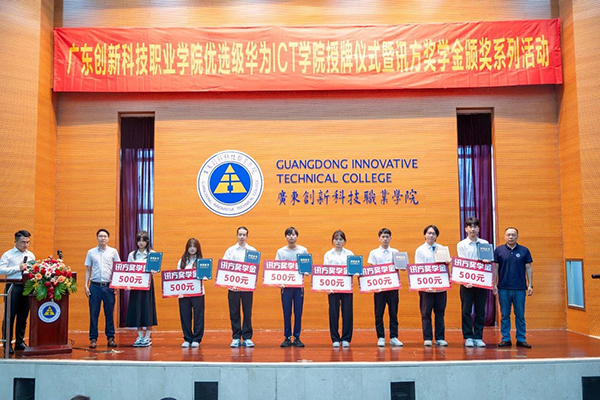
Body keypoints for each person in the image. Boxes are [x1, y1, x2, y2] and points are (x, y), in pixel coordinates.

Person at [493, 227, 533, 348]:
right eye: (508, 235)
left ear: (517, 236)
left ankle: (521, 339)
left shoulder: (524, 250)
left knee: (520, 315)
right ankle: (505, 339)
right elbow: (495, 268)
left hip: (520, 288)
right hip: (503, 288)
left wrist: (530, 285)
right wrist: (494, 284)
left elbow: (528, 268)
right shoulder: (499, 250)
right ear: (505, 236)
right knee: (505, 315)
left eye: (513, 235)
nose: (511, 237)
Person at [456, 217, 490, 348]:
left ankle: (478, 336)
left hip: (481, 282)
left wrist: (487, 261)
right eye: (470, 226)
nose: (473, 229)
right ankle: (468, 336)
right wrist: (466, 280)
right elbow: (463, 263)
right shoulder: (461, 244)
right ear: (466, 229)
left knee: (480, 310)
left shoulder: (484, 243)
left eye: (475, 226)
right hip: (467, 282)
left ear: (478, 229)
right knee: (466, 310)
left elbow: (488, 261)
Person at [84, 228, 121, 349]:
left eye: (105, 236)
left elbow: (118, 269)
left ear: (108, 238)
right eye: (100, 236)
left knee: (109, 313)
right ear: (97, 238)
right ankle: (93, 339)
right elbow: (88, 269)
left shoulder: (113, 252)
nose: (103, 238)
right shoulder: (91, 252)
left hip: (108, 286)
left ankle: (110, 337)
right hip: (94, 286)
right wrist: (85, 285)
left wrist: (116, 285)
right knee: (94, 313)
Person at [367, 228, 403, 348]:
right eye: (383, 237)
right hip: (379, 288)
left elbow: (402, 267)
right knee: (379, 313)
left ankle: (394, 337)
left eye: (387, 237)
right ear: (379, 238)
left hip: (393, 287)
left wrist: (403, 266)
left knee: (393, 312)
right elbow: (371, 269)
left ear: (390, 238)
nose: (385, 239)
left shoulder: (395, 252)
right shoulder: (374, 253)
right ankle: (381, 337)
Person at [0, 230, 35, 354]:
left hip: (26, 287)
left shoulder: (31, 255)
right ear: (15, 242)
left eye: (28, 242)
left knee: (23, 315)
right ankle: (7, 343)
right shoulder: (8, 255)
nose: (25, 245)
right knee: (9, 316)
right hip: (13, 286)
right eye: (23, 242)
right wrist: (17, 268)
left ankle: (19, 341)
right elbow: (1, 270)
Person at [414, 225, 448, 347]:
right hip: (426, 288)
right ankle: (427, 337)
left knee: (440, 313)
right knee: (426, 313)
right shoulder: (420, 250)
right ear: (425, 235)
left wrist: (447, 262)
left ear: (436, 236)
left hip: (440, 287)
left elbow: (445, 266)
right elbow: (419, 268)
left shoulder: (442, 249)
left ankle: (440, 338)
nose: (431, 235)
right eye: (429, 233)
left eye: (433, 233)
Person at [223, 226, 257, 348]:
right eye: (240, 234)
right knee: (234, 312)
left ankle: (247, 337)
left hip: (247, 287)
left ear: (247, 236)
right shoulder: (230, 250)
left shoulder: (252, 250)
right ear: (236, 236)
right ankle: (236, 337)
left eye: (244, 235)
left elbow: (254, 268)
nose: (242, 237)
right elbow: (225, 266)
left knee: (247, 312)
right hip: (233, 287)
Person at [275, 227, 308, 348]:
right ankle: (287, 337)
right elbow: (276, 268)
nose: (291, 237)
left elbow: (307, 267)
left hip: (299, 287)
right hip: (286, 287)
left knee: (298, 312)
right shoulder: (281, 251)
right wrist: (279, 282)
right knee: (287, 312)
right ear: (285, 237)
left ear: (297, 236)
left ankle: (297, 337)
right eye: (289, 235)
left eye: (293, 234)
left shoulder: (303, 250)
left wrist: (307, 271)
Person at [125, 231, 158, 347]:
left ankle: (147, 337)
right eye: (139, 240)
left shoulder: (152, 254)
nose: (141, 243)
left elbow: (156, 269)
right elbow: (128, 270)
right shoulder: (132, 255)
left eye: (143, 240)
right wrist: (127, 284)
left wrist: (153, 271)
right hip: (135, 285)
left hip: (147, 285)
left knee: (147, 309)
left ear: (147, 242)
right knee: (137, 309)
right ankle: (139, 336)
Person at [324, 230, 354, 348]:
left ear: (344, 241)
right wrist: (327, 287)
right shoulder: (328, 254)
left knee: (347, 312)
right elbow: (325, 271)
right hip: (333, 287)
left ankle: (346, 338)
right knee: (333, 312)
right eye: (336, 239)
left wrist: (357, 272)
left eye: (340, 239)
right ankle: (335, 338)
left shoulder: (349, 253)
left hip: (346, 287)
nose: (338, 241)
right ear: (332, 241)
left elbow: (354, 268)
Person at [177, 238, 205, 348]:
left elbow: (206, 276)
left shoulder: (202, 261)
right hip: (184, 293)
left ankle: (197, 339)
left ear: (197, 248)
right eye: (190, 246)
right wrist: (179, 292)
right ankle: (187, 338)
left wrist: (204, 276)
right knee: (185, 316)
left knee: (198, 316)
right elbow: (177, 277)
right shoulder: (182, 261)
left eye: (194, 246)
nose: (192, 249)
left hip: (198, 293)